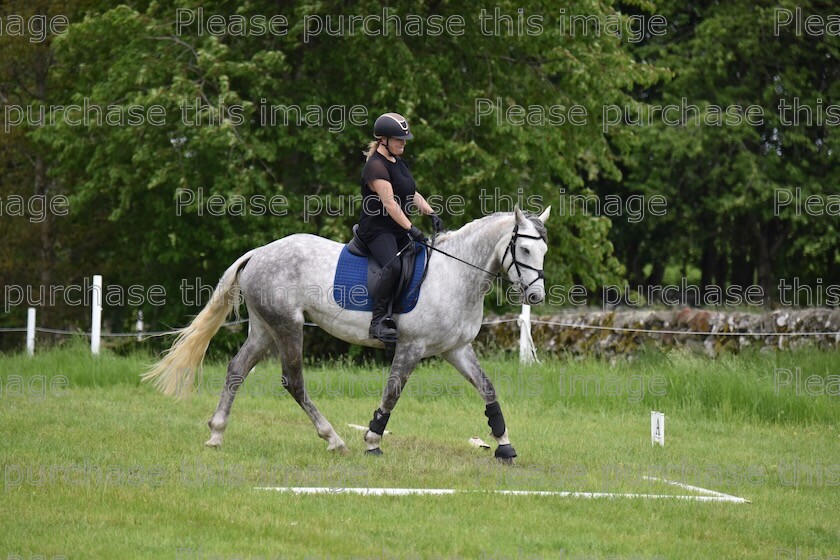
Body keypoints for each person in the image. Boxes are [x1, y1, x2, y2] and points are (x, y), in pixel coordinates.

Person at [358, 112, 444, 342]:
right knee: (393, 266)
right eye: (398, 139)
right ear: (383, 139)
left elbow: (410, 193)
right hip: (377, 229)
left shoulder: (399, 162)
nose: (403, 143)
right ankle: (378, 321)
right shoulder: (376, 167)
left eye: (404, 139)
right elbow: (389, 203)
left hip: (397, 228)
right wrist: (411, 228)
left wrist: (431, 213)